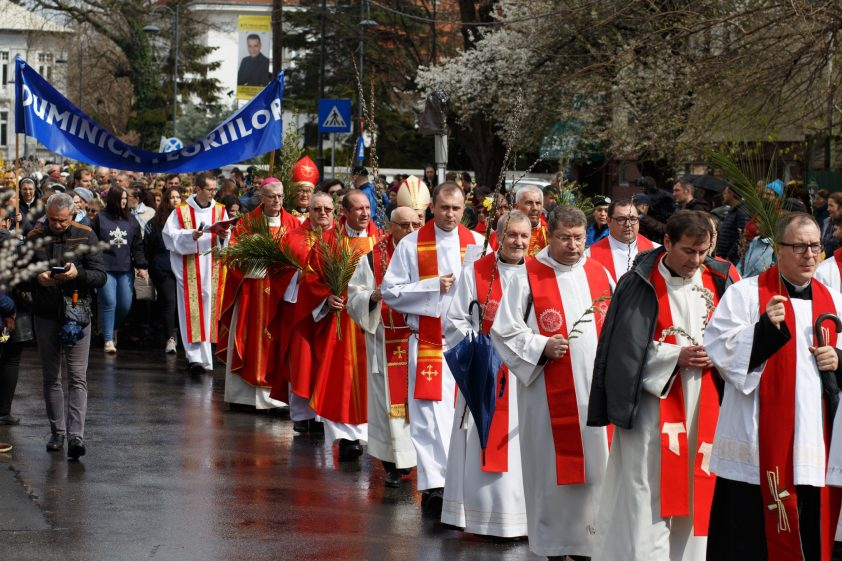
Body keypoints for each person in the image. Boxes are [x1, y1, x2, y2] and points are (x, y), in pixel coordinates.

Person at [588, 210, 734, 561]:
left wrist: (719, 355)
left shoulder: (719, 279)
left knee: (697, 489)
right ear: (667, 242)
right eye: (688, 251)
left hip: (704, 404)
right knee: (646, 492)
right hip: (651, 409)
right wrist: (674, 357)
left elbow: (736, 338)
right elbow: (623, 348)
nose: (695, 261)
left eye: (702, 252)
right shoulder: (640, 282)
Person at [705, 212, 842, 561]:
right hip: (756, 444)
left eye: (815, 246)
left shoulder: (834, 300)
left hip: (814, 444)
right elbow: (719, 349)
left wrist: (838, 359)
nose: (809, 255)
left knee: (811, 531)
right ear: (778, 250)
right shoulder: (745, 294)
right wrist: (764, 330)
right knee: (749, 541)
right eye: (799, 247)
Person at [492, 205, 614, 559]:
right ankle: (554, 545)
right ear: (549, 235)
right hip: (547, 395)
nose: (573, 246)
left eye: (579, 238)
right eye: (564, 238)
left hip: (596, 393)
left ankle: (591, 543)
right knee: (550, 470)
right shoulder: (528, 276)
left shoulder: (600, 273)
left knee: (598, 469)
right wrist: (540, 346)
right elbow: (504, 331)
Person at [381, 182, 485, 517]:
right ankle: (436, 486)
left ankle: (464, 482)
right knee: (428, 418)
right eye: (444, 208)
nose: (450, 214)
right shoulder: (411, 244)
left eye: (456, 208)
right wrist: (431, 285)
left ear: (464, 208)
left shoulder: (478, 243)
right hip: (428, 342)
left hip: (467, 344)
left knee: (463, 416)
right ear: (432, 208)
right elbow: (390, 291)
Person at [442, 210, 532, 538]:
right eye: (512, 235)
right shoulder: (477, 272)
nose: (518, 242)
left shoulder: (537, 274)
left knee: (522, 444)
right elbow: (454, 320)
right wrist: (480, 345)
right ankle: (482, 516)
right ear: (498, 236)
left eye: (524, 236)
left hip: (524, 374)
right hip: (485, 372)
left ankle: (523, 518)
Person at [299, 190, 379, 459]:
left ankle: (372, 435)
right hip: (341, 319)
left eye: (367, 207)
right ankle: (346, 437)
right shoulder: (329, 241)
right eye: (358, 209)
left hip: (374, 320)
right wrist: (326, 297)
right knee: (342, 378)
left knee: (372, 377)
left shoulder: (380, 240)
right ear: (344, 212)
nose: (365, 213)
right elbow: (311, 277)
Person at [25, 193, 106, 459]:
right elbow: (20, 276)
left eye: (62, 220)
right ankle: (57, 433)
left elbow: (100, 276)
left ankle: (76, 436)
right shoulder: (35, 236)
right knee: (51, 377)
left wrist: (77, 274)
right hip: (46, 313)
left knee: (77, 377)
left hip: (78, 313)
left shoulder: (86, 234)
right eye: (52, 220)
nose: (57, 225)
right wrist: (38, 279)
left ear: (72, 215)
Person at [347, 206, 421, 486]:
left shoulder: (428, 253)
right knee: (386, 405)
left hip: (420, 342)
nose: (410, 231)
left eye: (415, 224)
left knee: (422, 403)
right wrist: (372, 297)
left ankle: (425, 462)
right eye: (404, 225)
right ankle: (393, 463)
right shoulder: (372, 257)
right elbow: (354, 296)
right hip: (385, 341)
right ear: (390, 227)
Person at [216, 179, 300, 410]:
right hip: (252, 293)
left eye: (280, 196)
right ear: (261, 198)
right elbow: (233, 256)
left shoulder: (293, 224)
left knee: (277, 340)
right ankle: (243, 397)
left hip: (282, 294)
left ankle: (277, 399)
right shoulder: (247, 223)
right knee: (249, 339)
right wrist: (255, 265)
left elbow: (301, 254)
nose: (277, 200)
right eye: (272, 196)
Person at [163, 172, 231, 375]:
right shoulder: (181, 211)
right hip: (189, 266)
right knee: (191, 310)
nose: (213, 193)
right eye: (209, 189)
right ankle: (194, 358)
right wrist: (190, 236)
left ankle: (207, 357)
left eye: (215, 189)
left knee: (208, 309)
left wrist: (224, 235)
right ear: (198, 189)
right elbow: (169, 236)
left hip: (212, 266)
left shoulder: (220, 210)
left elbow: (227, 237)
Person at [91, 187, 148, 354]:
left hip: (125, 268)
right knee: (109, 302)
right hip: (105, 267)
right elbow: (92, 243)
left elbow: (137, 246)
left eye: (125, 198)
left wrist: (141, 266)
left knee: (124, 305)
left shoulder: (132, 220)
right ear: (113, 200)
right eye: (121, 199)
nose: (124, 202)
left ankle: (112, 327)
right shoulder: (100, 219)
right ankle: (108, 339)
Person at [145, 187, 181, 353]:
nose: (175, 200)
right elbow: (147, 246)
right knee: (169, 302)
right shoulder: (155, 222)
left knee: (181, 304)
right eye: (172, 197)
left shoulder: (187, 220)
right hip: (163, 268)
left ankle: (180, 335)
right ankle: (170, 337)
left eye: (178, 197)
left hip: (183, 268)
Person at [587, 198, 658, 281]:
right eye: (621, 219)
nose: (628, 224)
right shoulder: (590, 255)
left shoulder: (655, 251)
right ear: (609, 221)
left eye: (633, 218)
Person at [714, 186, 749, 264]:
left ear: (731, 194)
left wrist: (730, 257)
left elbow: (741, 236)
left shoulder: (741, 212)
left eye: (725, 193)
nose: (723, 196)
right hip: (723, 256)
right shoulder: (732, 211)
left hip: (731, 260)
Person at [289, 156, 319, 222]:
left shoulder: (318, 216)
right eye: (300, 191)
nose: (304, 195)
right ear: (292, 192)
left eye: (308, 191)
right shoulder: (286, 214)